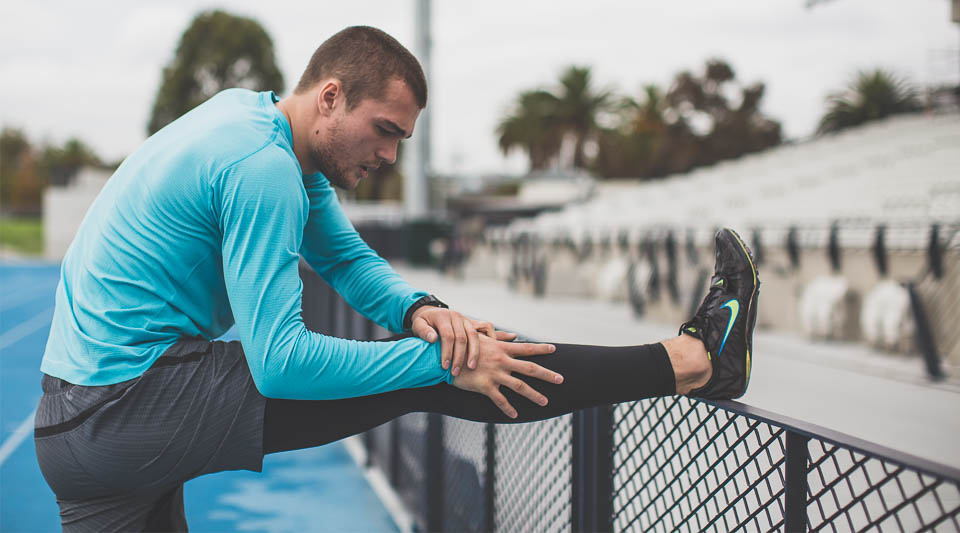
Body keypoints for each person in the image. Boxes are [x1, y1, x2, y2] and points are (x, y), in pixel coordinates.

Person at [33, 26, 760, 532]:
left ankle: (690, 360)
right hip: (127, 404)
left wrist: (423, 310)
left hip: (73, 429)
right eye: (384, 129)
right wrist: (442, 356)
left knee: (443, 355)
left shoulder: (254, 125)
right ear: (330, 96)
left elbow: (345, 259)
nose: (390, 154)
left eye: (402, 139)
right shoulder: (262, 172)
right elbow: (279, 363)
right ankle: (696, 360)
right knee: (450, 371)